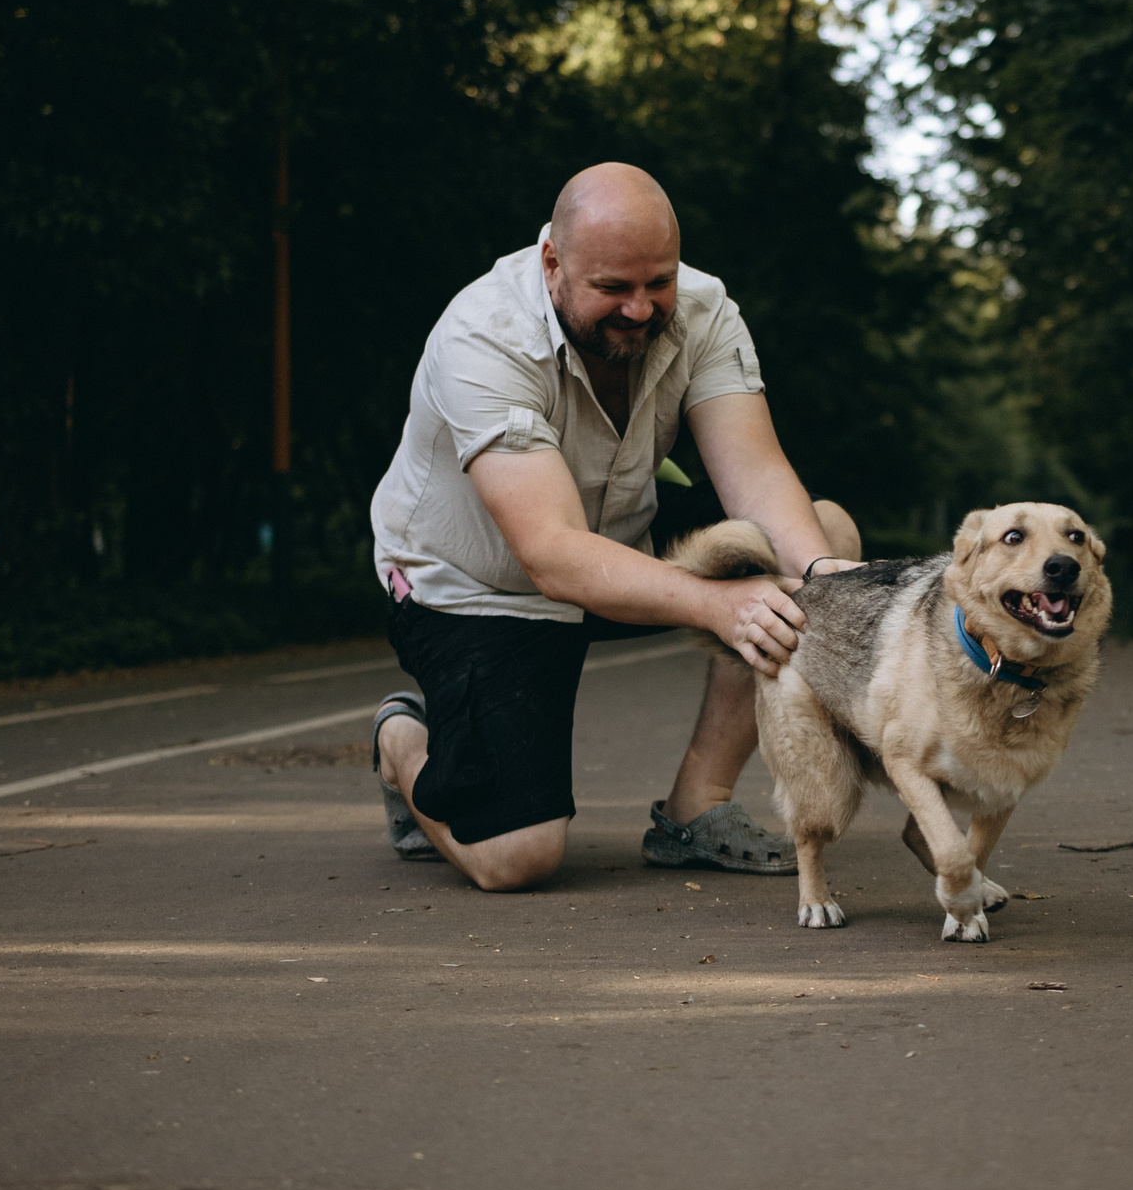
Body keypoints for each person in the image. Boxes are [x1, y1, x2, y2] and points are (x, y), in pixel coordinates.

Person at [366, 162, 862, 892]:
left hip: (622, 534)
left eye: (657, 281)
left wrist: (824, 581)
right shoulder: (483, 336)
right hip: (479, 583)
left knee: (824, 533)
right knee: (515, 858)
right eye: (613, 289)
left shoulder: (704, 307)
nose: (641, 309)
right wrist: (720, 604)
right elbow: (552, 554)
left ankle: (698, 809)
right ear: (553, 263)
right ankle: (404, 741)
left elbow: (754, 477)